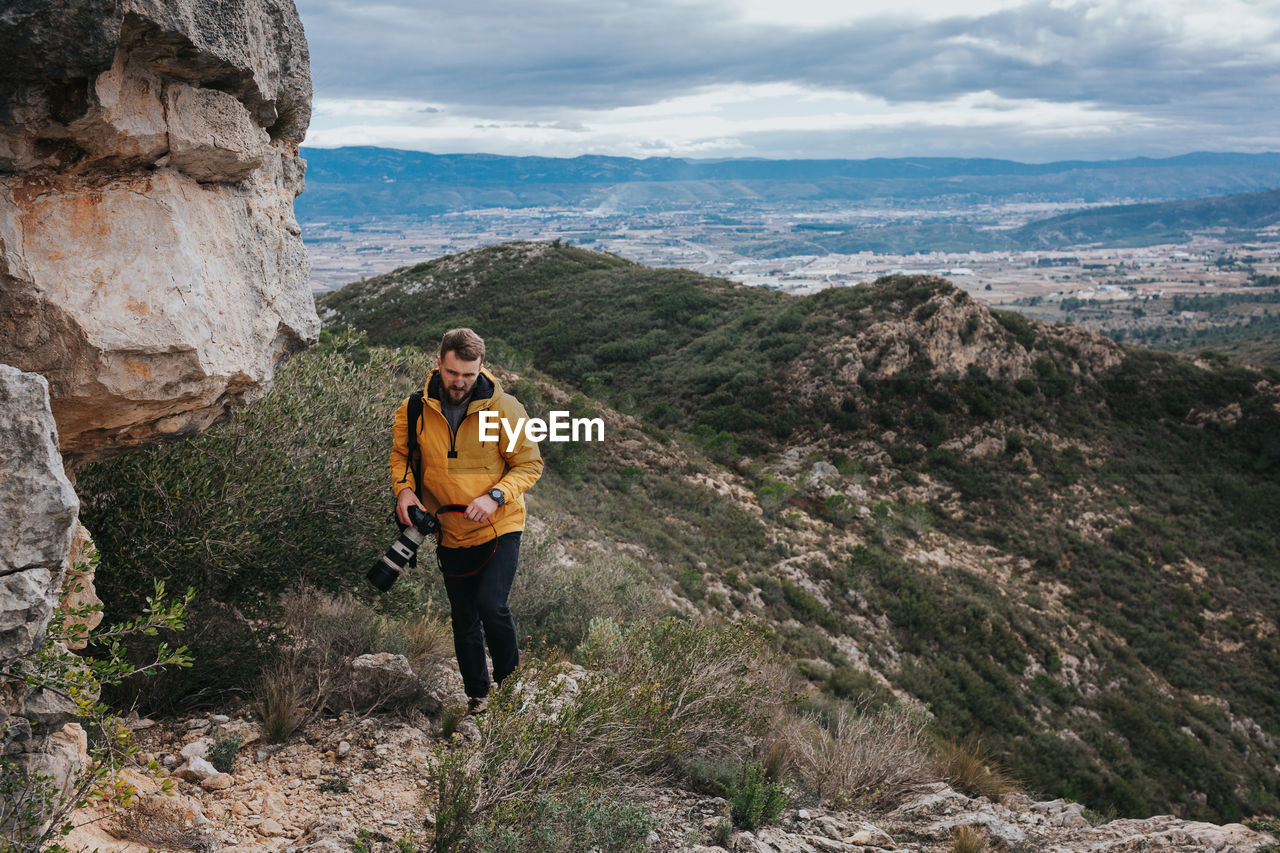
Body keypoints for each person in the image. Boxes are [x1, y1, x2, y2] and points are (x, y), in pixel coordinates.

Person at [389, 328, 543, 714]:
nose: (460, 383)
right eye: (453, 373)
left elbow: (529, 464)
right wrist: (404, 491)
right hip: (450, 530)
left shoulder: (504, 408)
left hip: (499, 525)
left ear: (480, 369)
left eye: (469, 376)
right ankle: (478, 696)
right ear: (438, 363)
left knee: (492, 605)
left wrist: (494, 497)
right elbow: (401, 457)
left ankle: (510, 693)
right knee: (463, 617)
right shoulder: (414, 409)